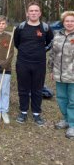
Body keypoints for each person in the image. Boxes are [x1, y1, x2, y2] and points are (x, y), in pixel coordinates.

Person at [14, 1, 54, 126]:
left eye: (36, 10)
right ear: (27, 13)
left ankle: (36, 113)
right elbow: (16, 43)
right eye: (31, 11)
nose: (33, 13)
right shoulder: (21, 27)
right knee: (23, 88)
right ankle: (23, 111)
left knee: (37, 89)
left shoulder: (45, 28)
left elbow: (50, 43)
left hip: (39, 64)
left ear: (40, 13)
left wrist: (42, 51)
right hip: (23, 63)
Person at [48, 11, 74, 139]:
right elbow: (52, 54)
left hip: (72, 75)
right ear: (63, 22)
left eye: (72, 21)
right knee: (61, 98)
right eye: (67, 21)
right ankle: (66, 119)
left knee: (73, 101)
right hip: (59, 74)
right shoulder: (57, 35)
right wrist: (52, 70)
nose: (69, 23)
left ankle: (73, 124)